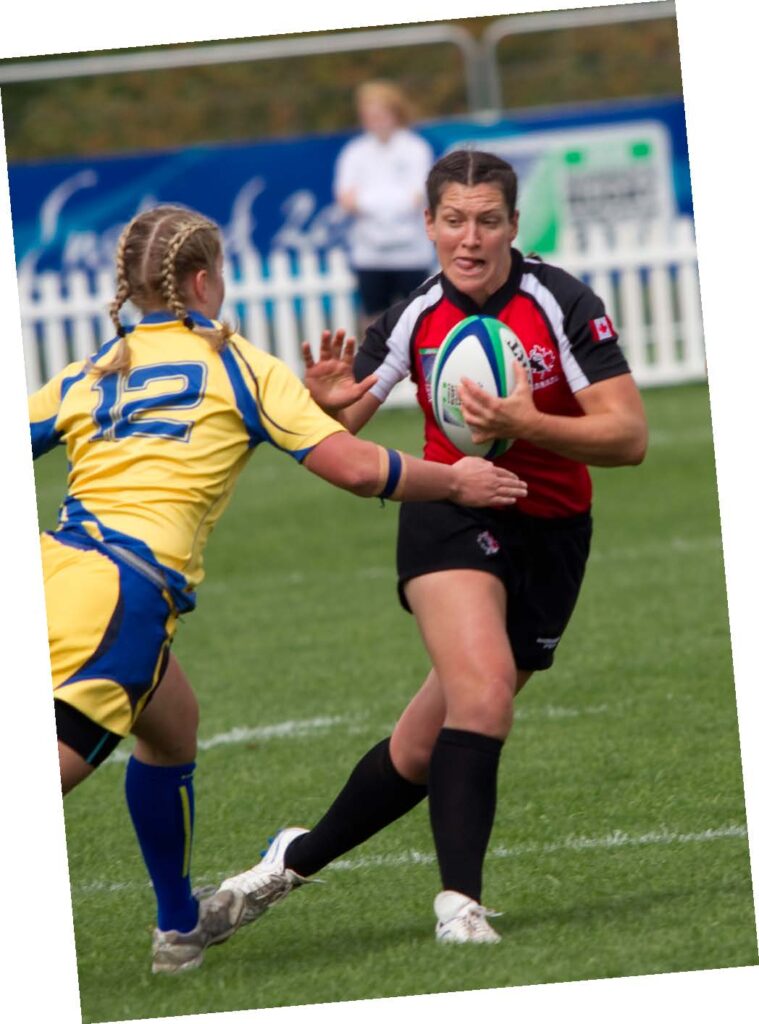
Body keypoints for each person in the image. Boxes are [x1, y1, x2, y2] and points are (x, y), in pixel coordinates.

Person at [29, 203, 527, 973]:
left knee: (170, 727)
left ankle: (177, 930)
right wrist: (456, 481)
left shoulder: (89, 370)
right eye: (220, 272)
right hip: (119, 598)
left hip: (49, 572)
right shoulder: (237, 365)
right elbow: (358, 470)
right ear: (202, 281)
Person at [219, 150, 649, 944]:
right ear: (428, 224)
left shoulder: (560, 301)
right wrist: (322, 406)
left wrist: (530, 426)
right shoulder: (415, 313)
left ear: (514, 226)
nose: (470, 238)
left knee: (422, 745)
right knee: (483, 695)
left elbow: (627, 437)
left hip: (553, 535)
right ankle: (459, 906)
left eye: (488, 220)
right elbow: (341, 430)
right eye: (453, 220)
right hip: (448, 514)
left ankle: (290, 860)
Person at [334, 80, 435, 332]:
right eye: (369, 115)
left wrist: (367, 202)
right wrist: (394, 201)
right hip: (370, 254)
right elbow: (346, 200)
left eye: (380, 114)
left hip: (411, 253)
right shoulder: (354, 152)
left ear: (395, 112)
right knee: (374, 323)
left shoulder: (416, 149)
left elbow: (418, 196)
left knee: (420, 318)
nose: (375, 121)